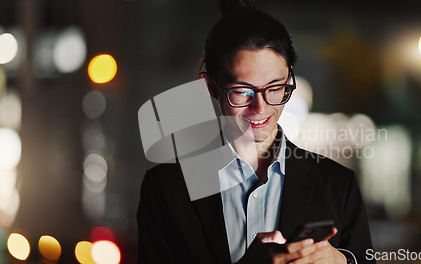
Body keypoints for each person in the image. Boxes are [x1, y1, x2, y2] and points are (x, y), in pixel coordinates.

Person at [137, 1, 375, 263]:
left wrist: (344, 261)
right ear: (210, 87)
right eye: (241, 92)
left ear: (289, 77)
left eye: (274, 88)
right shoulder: (167, 189)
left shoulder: (337, 185)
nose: (260, 108)